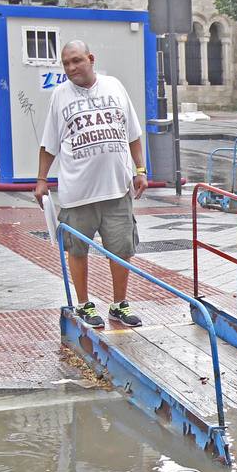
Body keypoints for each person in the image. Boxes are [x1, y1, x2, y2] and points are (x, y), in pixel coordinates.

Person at [35, 40, 149, 329]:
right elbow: (49, 144)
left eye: (76, 61)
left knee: (122, 248)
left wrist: (141, 169)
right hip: (78, 192)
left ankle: (119, 304)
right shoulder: (60, 96)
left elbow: (133, 134)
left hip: (117, 188)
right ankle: (84, 303)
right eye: (66, 63)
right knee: (77, 249)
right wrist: (41, 180)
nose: (71, 68)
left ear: (91, 58)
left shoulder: (114, 86)